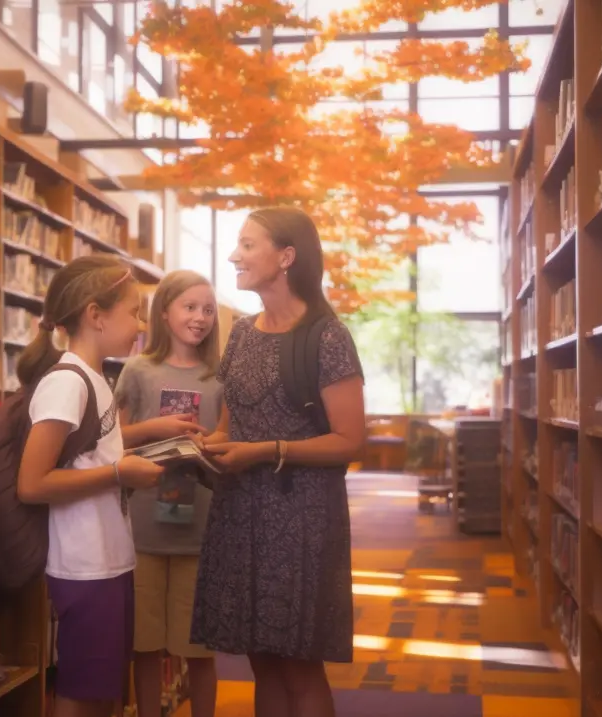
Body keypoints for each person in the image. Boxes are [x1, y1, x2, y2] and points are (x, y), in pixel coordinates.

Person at [191, 207, 366, 717]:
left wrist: (266, 452)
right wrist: (210, 446)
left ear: (286, 257)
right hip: (239, 515)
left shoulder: (328, 337)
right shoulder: (242, 333)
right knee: (261, 661)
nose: (233, 256)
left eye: (247, 245)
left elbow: (350, 439)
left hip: (301, 521)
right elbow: (231, 424)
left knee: (299, 665)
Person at [15, 254, 165, 717]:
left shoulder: (96, 378)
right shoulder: (67, 381)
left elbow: (92, 449)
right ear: (95, 316)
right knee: (81, 692)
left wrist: (150, 435)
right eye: (134, 312)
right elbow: (33, 483)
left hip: (109, 558)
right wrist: (120, 474)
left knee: (104, 692)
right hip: (83, 565)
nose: (141, 325)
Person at [114, 270, 222, 717]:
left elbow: (227, 441)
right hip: (142, 528)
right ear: (164, 312)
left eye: (208, 310)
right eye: (190, 307)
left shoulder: (219, 376)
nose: (200, 318)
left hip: (200, 527)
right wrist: (157, 429)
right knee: (145, 644)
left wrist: (209, 447)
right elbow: (114, 439)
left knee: (199, 648)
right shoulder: (138, 370)